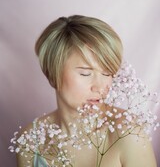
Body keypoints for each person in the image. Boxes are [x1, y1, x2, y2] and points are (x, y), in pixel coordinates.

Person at [16, 15, 157, 167]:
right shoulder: (31, 139)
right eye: (85, 73)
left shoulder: (129, 134)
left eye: (107, 73)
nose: (99, 86)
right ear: (53, 72)